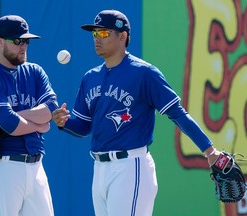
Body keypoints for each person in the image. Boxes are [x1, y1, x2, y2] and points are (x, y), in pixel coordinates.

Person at [52, 10, 220, 216]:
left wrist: (209, 151)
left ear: (122, 36)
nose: (97, 38)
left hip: (130, 167)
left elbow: (177, 113)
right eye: (94, 33)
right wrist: (64, 123)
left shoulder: (144, 73)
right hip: (99, 169)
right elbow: (85, 127)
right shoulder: (90, 77)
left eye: (104, 33)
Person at [0, 15, 58, 216]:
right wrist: (38, 125)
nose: (23, 46)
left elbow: (51, 108)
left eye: (26, 41)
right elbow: (9, 124)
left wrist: (21, 115)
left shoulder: (34, 72)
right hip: (2, 166)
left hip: (36, 166)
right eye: (17, 40)